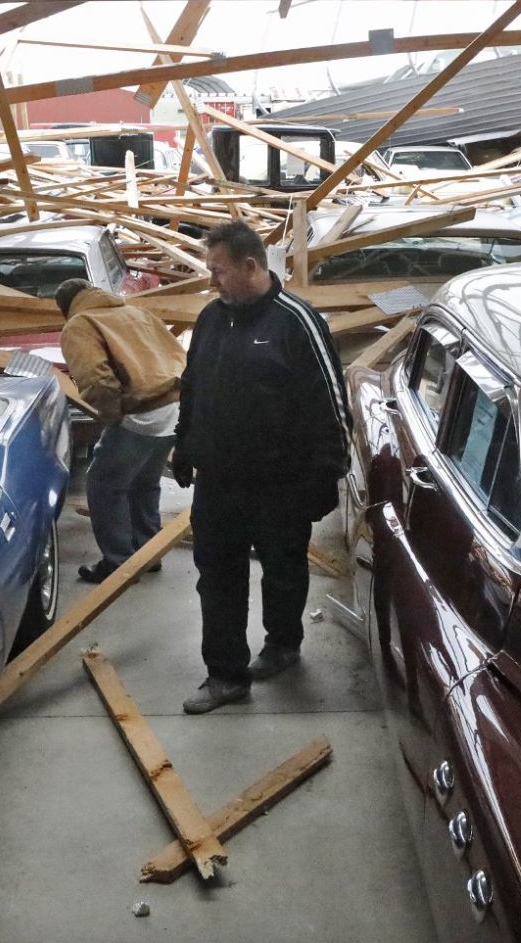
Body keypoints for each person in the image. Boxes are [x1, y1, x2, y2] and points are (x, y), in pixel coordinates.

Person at [172, 221, 350, 715]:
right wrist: (185, 445)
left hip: (281, 484)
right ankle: (225, 674)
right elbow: (194, 386)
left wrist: (327, 472)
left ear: (251, 266)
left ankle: (283, 644)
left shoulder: (296, 321)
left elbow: (331, 402)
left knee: (283, 570)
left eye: (218, 271)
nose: (212, 281)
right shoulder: (211, 318)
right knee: (217, 577)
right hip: (219, 484)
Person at [56, 278, 187, 583]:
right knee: (145, 483)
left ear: (65, 306)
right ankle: (148, 553)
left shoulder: (79, 324)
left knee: (104, 485)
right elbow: (176, 354)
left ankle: (118, 564)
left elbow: (96, 380)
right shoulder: (136, 312)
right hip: (175, 406)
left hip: (141, 414)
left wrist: (113, 416)